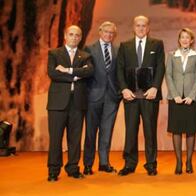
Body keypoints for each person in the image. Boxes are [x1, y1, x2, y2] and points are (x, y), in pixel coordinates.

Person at [116, 15, 165, 176]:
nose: (141, 28)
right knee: (130, 130)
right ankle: (129, 164)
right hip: (130, 96)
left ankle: (151, 164)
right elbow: (119, 69)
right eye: (138, 25)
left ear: (148, 28)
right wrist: (124, 89)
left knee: (150, 131)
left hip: (150, 96)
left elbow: (160, 68)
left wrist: (155, 87)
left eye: (144, 25)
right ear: (133, 27)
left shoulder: (157, 44)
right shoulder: (125, 46)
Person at [46, 25, 94, 182]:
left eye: (77, 35)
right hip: (57, 104)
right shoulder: (54, 53)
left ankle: (73, 168)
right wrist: (75, 76)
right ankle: (53, 170)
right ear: (65, 36)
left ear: (80, 38)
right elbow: (53, 73)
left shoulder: (85, 55)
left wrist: (67, 70)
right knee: (55, 138)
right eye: (71, 34)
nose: (74, 37)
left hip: (77, 103)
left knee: (75, 138)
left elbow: (89, 72)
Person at [83, 21, 120, 175]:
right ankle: (88, 164)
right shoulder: (89, 49)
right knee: (91, 132)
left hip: (112, 97)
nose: (109, 35)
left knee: (106, 131)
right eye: (106, 31)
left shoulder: (118, 50)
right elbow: (85, 74)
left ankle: (104, 163)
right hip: (93, 96)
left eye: (111, 32)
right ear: (100, 32)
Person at [165, 28, 196, 175]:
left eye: (188, 37)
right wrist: (175, 95)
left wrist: (191, 96)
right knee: (176, 130)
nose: (185, 40)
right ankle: (179, 162)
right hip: (176, 99)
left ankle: (189, 161)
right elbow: (168, 75)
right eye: (182, 37)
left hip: (191, 100)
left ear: (191, 40)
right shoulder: (172, 55)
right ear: (179, 40)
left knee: (190, 131)